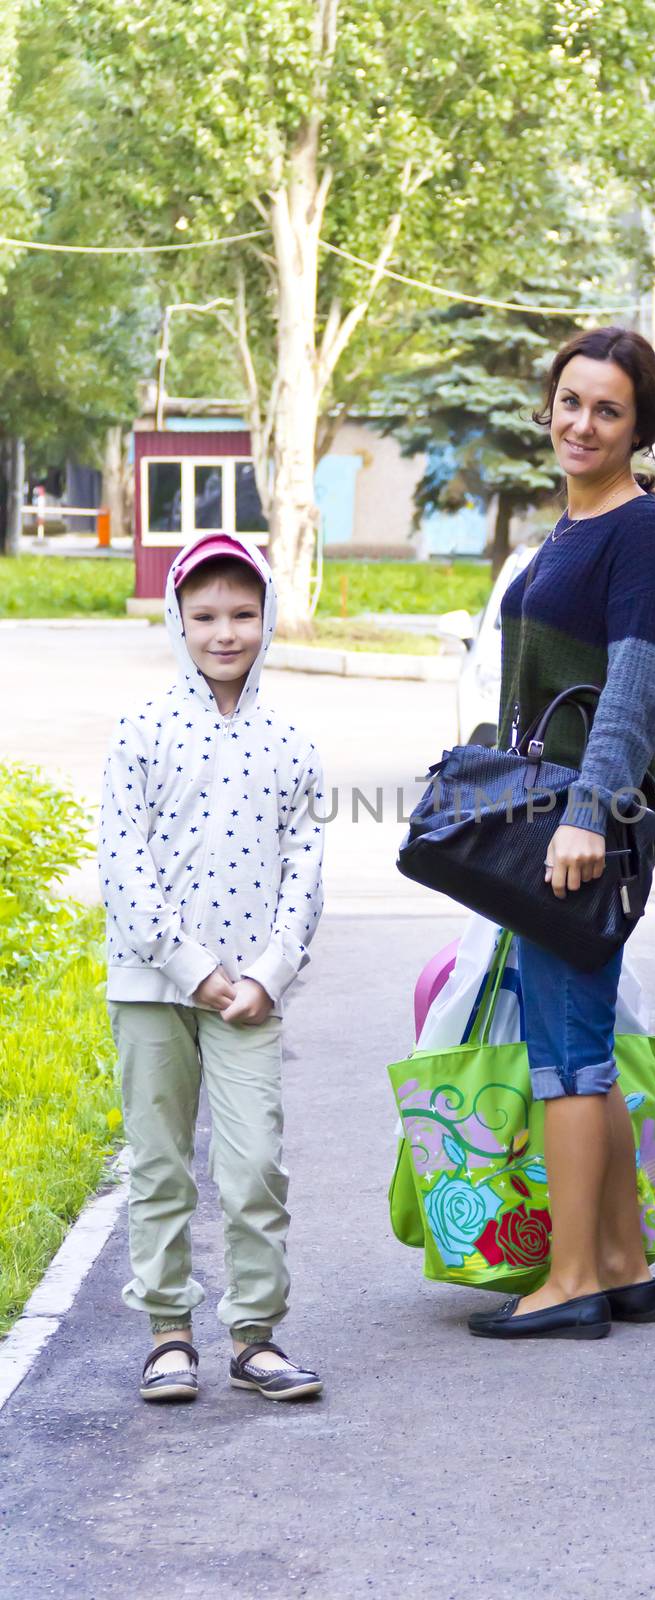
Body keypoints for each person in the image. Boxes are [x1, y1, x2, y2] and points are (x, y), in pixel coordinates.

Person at [467, 326, 655, 1341]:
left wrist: (586, 813)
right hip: (550, 815)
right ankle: (619, 1264)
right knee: (579, 1044)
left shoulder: (639, 533)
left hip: (586, 824)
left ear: (639, 426)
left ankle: (565, 1283)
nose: (580, 423)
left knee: (563, 1053)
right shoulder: (566, 529)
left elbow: (635, 688)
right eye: (568, 401)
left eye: (606, 409)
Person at [99, 531, 325, 1402]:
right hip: (155, 986)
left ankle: (255, 1335)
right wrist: (191, 966)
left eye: (241, 613)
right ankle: (166, 1333)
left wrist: (269, 972)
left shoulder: (290, 742)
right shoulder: (142, 730)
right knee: (158, 1164)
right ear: (176, 619)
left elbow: (305, 867)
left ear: (266, 620)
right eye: (204, 615)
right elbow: (123, 865)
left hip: (249, 997)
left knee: (254, 1165)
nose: (224, 632)